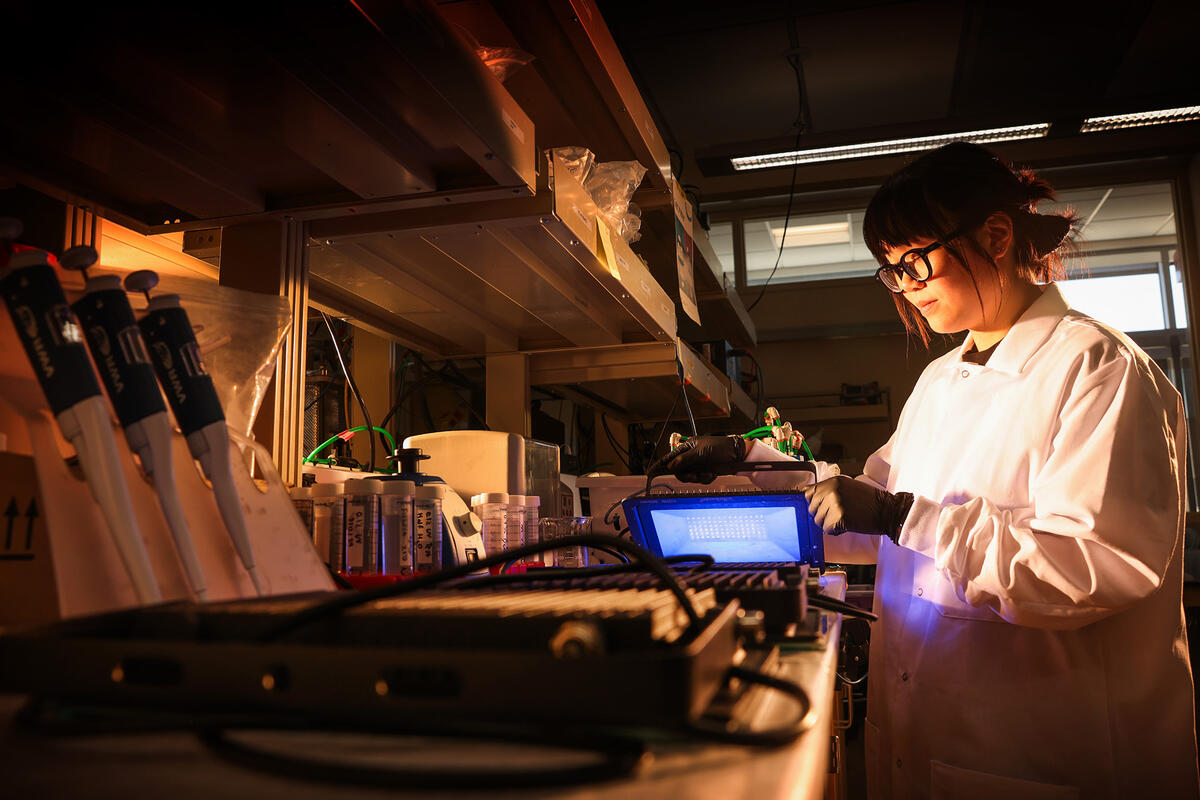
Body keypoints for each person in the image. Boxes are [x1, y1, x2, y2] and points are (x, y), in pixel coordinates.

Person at [799, 142, 1199, 798]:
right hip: (933, 738)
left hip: (1047, 754)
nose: (905, 286)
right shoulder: (939, 380)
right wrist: (761, 483)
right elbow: (874, 507)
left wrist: (906, 517)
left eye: (916, 260)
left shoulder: (1098, 369)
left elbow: (1093, 566)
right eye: (891, 271)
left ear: (996, 235)